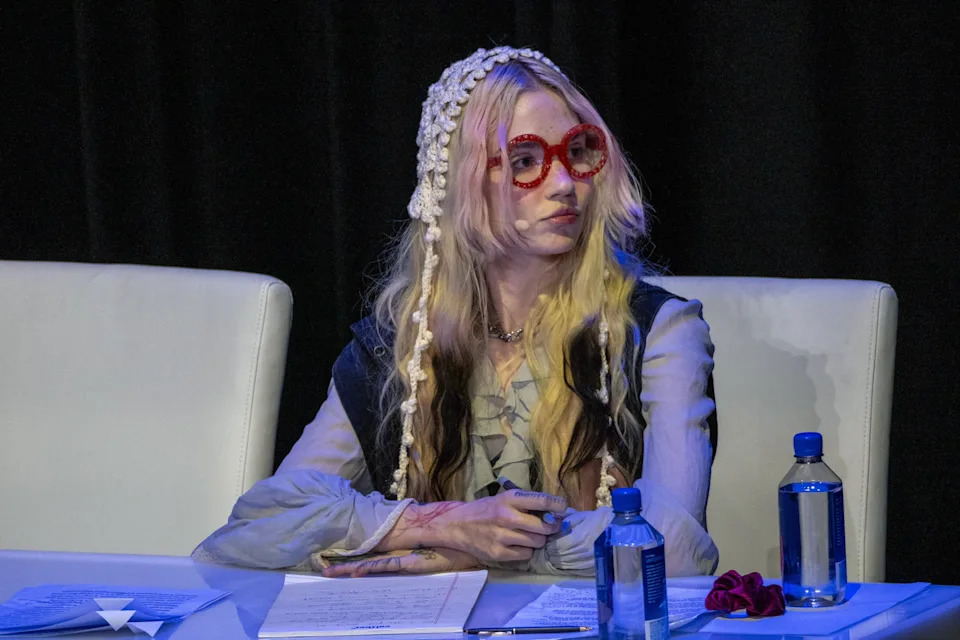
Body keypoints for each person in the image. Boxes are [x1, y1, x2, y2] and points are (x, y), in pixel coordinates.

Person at [194, 46, 719, 577]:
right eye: (525, 161)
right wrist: (439, 525)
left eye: (578, 151)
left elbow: (678, 547)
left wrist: (497, 546)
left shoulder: (655, 330)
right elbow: (251, 530)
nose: (564, 184)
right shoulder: (402, 346)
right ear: (461, 183)